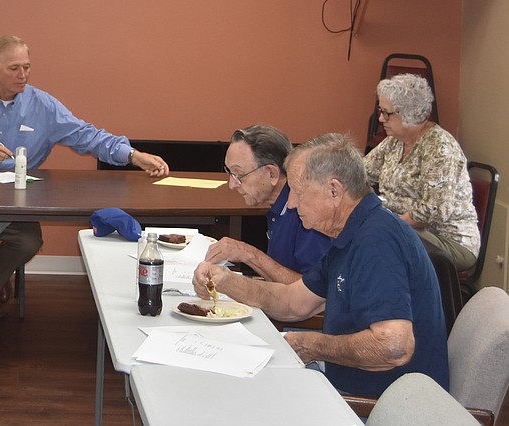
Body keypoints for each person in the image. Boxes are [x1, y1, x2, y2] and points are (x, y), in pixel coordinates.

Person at [192, 133, 448, 398]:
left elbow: (394, 345)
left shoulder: (377, 240)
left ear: (334, 191)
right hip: (351, 386)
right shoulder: (350, 232)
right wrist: (226, 281)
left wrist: (312, 345)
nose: (290, 203)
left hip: (382, 405)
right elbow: (293, 302)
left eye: (298, 192)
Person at [0, 35, 169, 318]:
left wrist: (132, 155)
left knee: (29, 243)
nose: (23, 75)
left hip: (16, 197)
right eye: (14, 68)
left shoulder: (43, 106)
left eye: (27, 67)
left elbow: (86, 136)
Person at [365, 73, 480, 271]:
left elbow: (433, 210)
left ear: (410, 113)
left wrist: (389, 226)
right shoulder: (394, 142)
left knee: (377, 241)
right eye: (380, 110)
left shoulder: (440, 147)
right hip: (407, 230)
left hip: (447, 239)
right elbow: (361, 173)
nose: (381, 118)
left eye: (387, 113)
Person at [203, 125, 331, 283]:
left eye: (239, 175)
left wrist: (248, 254)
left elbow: (316, 294)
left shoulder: (307, 215)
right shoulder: (278, 207)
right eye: (230, 172)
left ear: (272, 173)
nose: (232, 185)